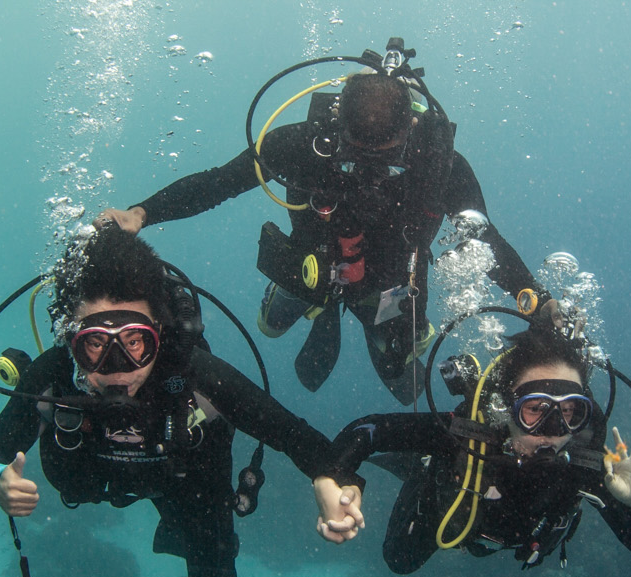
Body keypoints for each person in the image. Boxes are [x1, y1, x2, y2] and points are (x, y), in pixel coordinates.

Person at [96, 41, 546, 404]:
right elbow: (220, 183)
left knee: (404, 383)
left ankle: (349, 314)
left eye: (385, 154)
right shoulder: (302, 145)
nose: (370, 168)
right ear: (337, 124)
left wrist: (534, 299)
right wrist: (142, 212)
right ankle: (322, 309)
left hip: (390, 283)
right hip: (311, 263)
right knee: (269, 327)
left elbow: (484, 242)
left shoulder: (440, 165)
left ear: (410, 127)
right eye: (358, 152)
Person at [0, 225, 364, 577]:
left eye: (134, 342)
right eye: (94, 345)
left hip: (186, 484)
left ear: (159, 332)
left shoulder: (194, 374)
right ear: (70, 338)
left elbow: (292, 433)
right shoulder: (53, 376)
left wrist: (330, 479)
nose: (117, 369)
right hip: (92, 477)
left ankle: (183, 529)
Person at [323, 324, 631, 573]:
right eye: (535, 409)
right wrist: (336, 479)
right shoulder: (469, 437)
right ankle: (420, 467)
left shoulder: (587, 464)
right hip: (448, 499)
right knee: (399, 560)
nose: (552, 431)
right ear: (507, 407)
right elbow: (367, 430)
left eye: (568, 411)